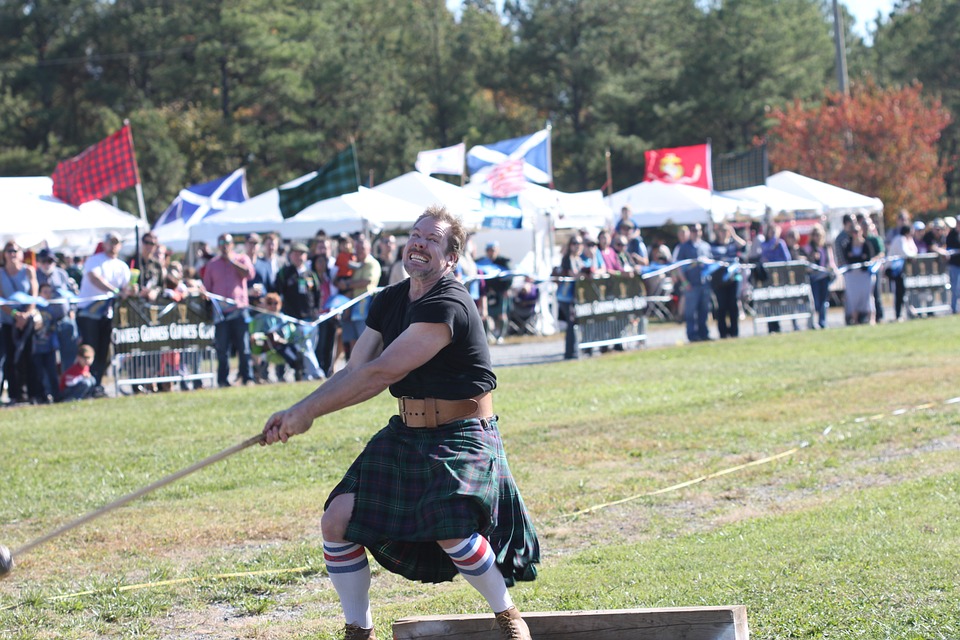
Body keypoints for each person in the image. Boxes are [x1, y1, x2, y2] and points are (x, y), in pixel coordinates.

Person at [261, 206, 539, 640]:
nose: (419, 243)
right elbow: (356, 369)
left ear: (450, 257)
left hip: (462, 432)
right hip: (409, 432)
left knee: (451, 528)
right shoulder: (388, 300)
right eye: (415, 235)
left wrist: (306, 414)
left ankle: (507, 614)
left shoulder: (448, 302)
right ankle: (359, 630)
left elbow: (383, 372)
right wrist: (297, 411)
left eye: (432, 239)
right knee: (336, 520)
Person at [76, 232, 132, 395]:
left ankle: (97, 383)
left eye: (117, 242)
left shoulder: (122, 266)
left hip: (107, 314)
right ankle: (87, 383)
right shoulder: (94, 260)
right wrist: (114, 291)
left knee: (103, 351)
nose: (114, 245)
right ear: (105, 243)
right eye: (111, 242)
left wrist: (129, 291)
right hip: (89, 313)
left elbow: (125, 287)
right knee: (89, 349)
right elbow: (94, 278)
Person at [202, 233, 256, 387]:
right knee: (222, 349)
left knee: (244, 347)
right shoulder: (212, 264)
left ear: (232, 244)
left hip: (239, 310)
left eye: (227, 242)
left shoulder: (241, 259)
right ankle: (223, 380)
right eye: (221, 242)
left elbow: (249, 274)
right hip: (221, 313)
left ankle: (248, 377)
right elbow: (207, 288)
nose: (224, 245)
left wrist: (232, 261)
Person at [275, 242, 323, 380]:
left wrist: (316, 312)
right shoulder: (284, 273)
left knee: (309, 347)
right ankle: (316, 373)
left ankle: (306, 375)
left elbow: (318, 295)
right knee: (305, 346)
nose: (298, 257)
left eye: (301, 254)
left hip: (311, 319)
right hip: (293, 319)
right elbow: (277, 294)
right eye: (295, 254)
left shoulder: (311, 274)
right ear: (290, 255)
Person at [1, 241, 41, 404]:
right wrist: (16, 315)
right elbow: (1, 299)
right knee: (10, 358)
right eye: (9, 251)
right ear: (4, 254)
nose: (12, 254)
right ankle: (15, 395)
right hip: (7, 321)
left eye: (15, 251)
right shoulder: (1, 273)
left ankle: (32, 394)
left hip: (28, 321)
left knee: (30, 356)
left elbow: (34, 294)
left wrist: (26, 315)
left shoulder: (29, 271)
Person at [35, 248, 80, 375]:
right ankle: (50, 390)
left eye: (50, 261)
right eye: (44, 261)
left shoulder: (61, 274)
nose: (47, 264)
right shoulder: (35, 276)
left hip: (64, 319)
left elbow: (72, 294)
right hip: (44, 324)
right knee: (48, 359)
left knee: (69, 355)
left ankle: (68, 385)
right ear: (39, 261)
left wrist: (72, 310)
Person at [340, 235, 381, 360]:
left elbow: (366, 281)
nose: (358, 250)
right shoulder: (356, 265)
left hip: (365, 305)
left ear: (369, 249)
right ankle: (354, 365)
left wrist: (347, 284)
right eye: (357, 248)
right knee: (352, 339)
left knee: (364, 338)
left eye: (362, 248)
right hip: (353, 306)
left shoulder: (372, 264)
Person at [674, 223, 713, 342]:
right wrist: (684, 282)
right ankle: (692, 335)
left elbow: (711, 263)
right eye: (693, 230)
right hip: (691, 284)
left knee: (704, 310)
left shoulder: (706, 246)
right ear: (690, 232)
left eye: (698, 230)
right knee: (690, 312)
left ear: (701, 231)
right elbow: (679, 266)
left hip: (704, 283)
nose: (696, 232)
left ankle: (704, 333)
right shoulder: (684, 247)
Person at [710, 223, 744, 338]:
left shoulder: (732, 244)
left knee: (733, 305)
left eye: (726, 231)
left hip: (733, 280)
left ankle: (734, 332)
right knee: (722, 307)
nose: (724, 233)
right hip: (719, 281)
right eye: (722, 231)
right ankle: (723, 333)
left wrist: (733, 235)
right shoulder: (713, 246)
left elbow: (744, 246)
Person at [475, 241, 512, 343]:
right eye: (489, 250)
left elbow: (509, 276)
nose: (491, 253)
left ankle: (501, 336)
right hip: (487, 293)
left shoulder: (503, 262)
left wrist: (506, 289)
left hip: (500, 292)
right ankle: (486, 337)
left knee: (501, 314)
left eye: (494, 250)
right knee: (485, 314)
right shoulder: (481, 261)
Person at [554, 234, 584, 360]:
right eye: (574, 243)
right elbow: (574, 274)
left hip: (574, 296)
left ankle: (574, 351)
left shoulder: (578, 259)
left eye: (579, 243)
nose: (577, 246)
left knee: (573, 324)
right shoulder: (568, 259)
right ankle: (570, 352)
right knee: (571, 323)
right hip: (565, 296)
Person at [840, 223, 877, 325]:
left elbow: (867, 258)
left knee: (867, 296)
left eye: (857, 231)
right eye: (854, 232)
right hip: (853, 275)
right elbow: (848, 259)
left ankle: (871, 318)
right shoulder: (848, 245)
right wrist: (860, 257)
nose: (856, 234)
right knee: (853, 297)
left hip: (864, 274)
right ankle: (855, 319)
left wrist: (857, 257)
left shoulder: (866, 244)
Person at [803, 223, 838, 329]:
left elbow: (830, 261)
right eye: (814, 234)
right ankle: (812, 323)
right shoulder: (809, 248)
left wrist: (833, 269)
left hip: (824, 277)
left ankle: (822, 321)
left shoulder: (826, 247)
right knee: (815, 302)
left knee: (823, 301)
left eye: (818, 234)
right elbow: (806, 261)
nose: (816, 237)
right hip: (813, 278)